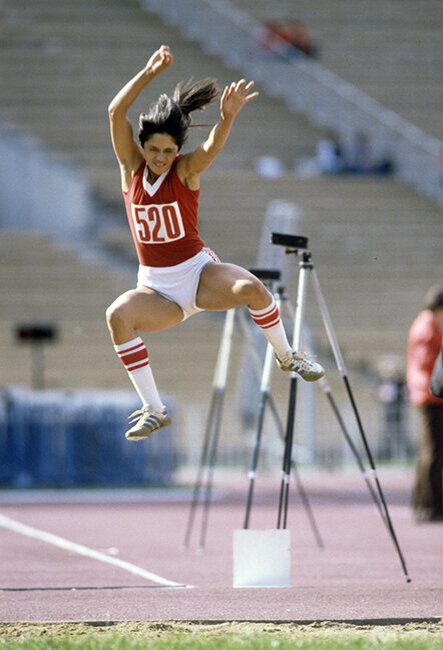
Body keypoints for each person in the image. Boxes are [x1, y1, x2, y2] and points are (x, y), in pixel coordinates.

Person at [106, 45, 325, 442]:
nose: (160, 157)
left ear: (177, 150)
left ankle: (287, 355)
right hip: (156, 288)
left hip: (197, 273)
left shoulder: (185, 171)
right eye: (153, 149)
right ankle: (154, 410)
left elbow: (209, 149)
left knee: (251, 289)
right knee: (117, 316)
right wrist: (148, 72)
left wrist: (227, 118)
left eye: (168, 151)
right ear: (143, 146)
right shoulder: (131, 169)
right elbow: (115, 113)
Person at [406, 284, 443, 522]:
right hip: (431, 397)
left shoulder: (427, 324)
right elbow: (426, 366)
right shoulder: (428, 328)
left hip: (428, 394)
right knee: (433, 453)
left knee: (431, 452)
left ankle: (425, 503)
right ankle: (430, 505)